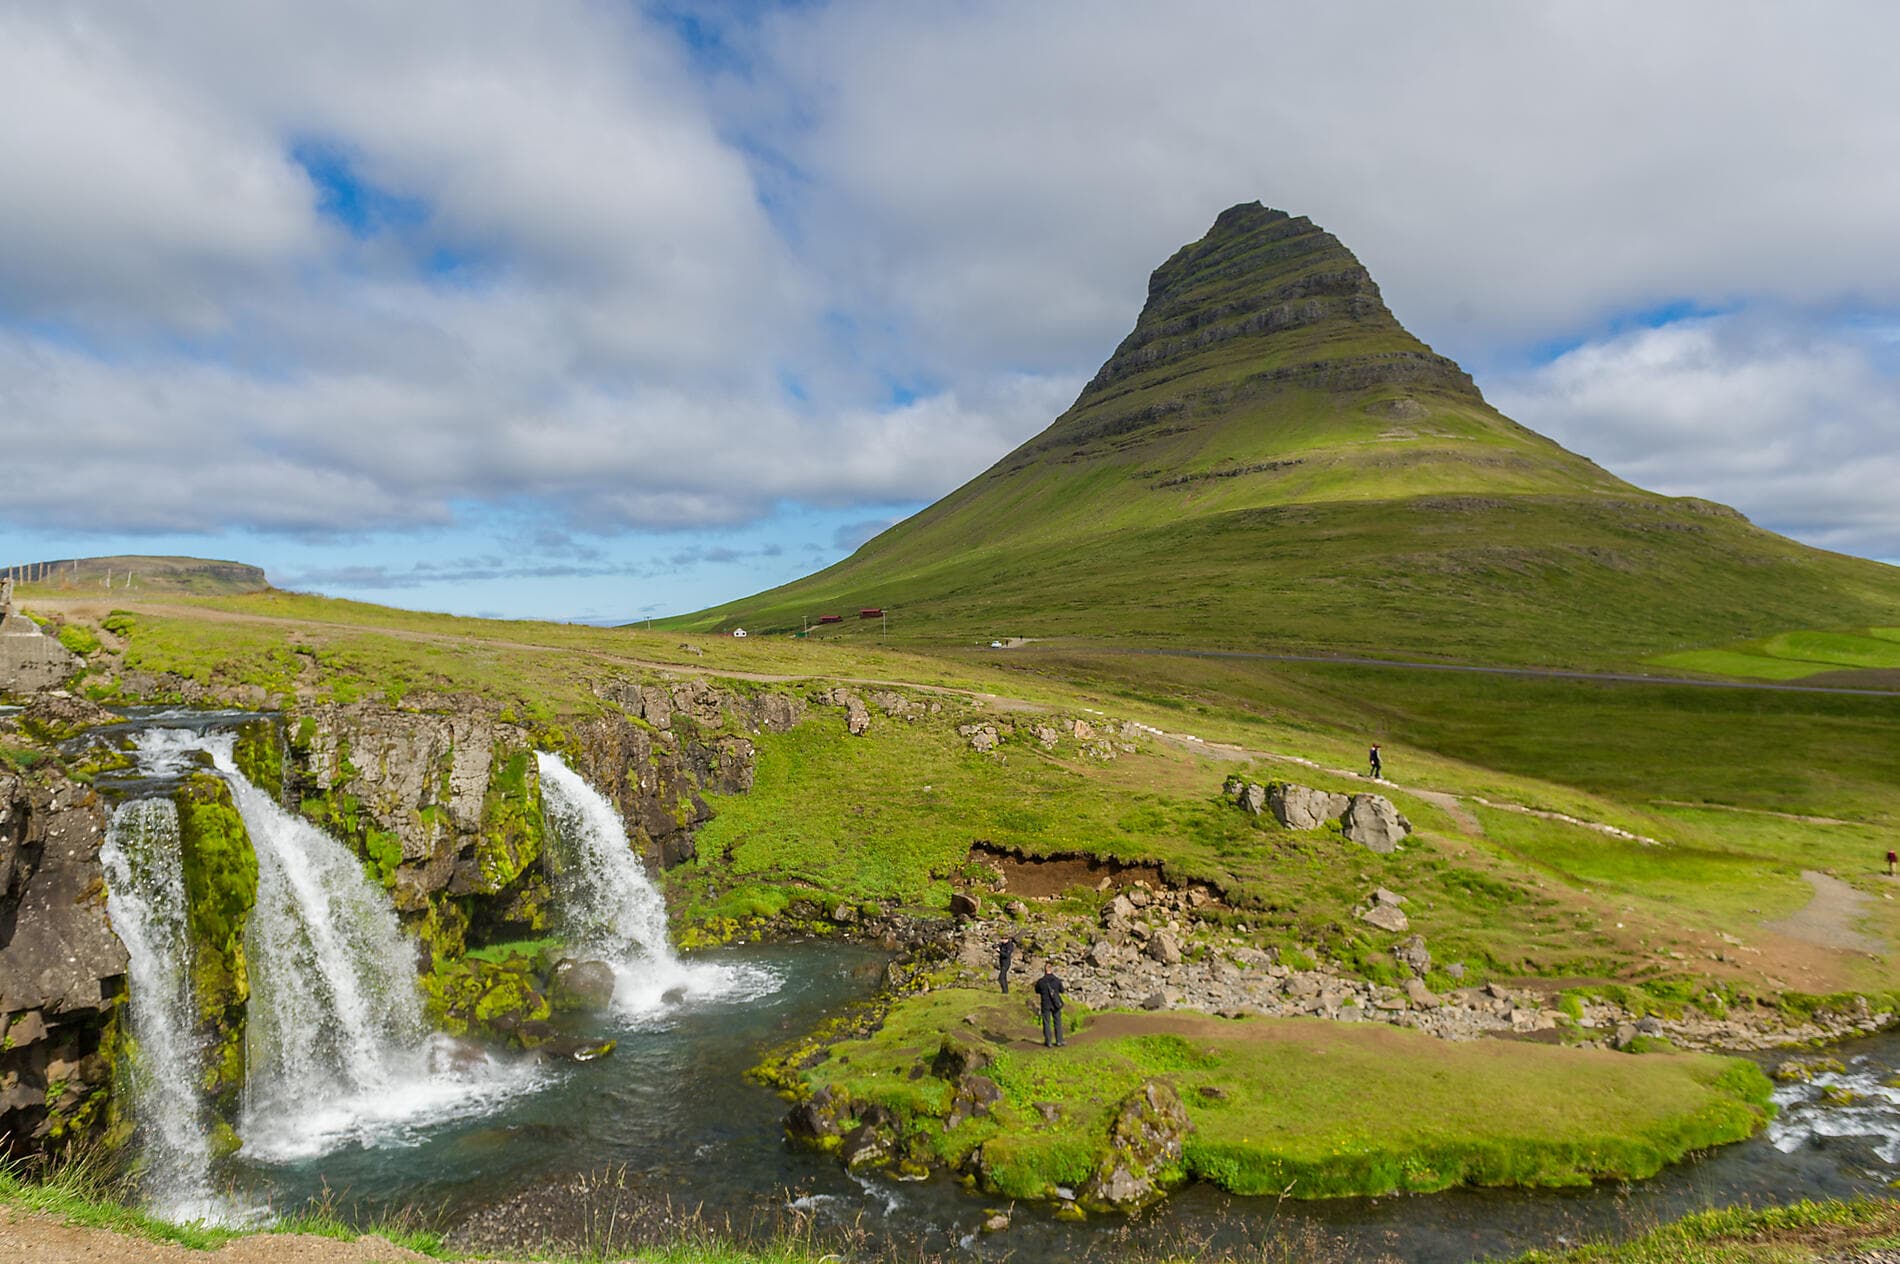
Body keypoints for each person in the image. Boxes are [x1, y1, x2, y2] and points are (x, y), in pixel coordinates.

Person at [1034, 963, 1066, 1047]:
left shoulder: (1041, 981)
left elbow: (1037, 990)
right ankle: (1059, 1041)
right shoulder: (1057, 980)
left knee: (1046, 1023)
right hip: (1056, 1004)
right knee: (1058, 1022)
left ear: (1044, 970)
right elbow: (1062, 990)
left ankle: (1048, 1042)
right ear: (1052, 969)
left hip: (1045, 1004)